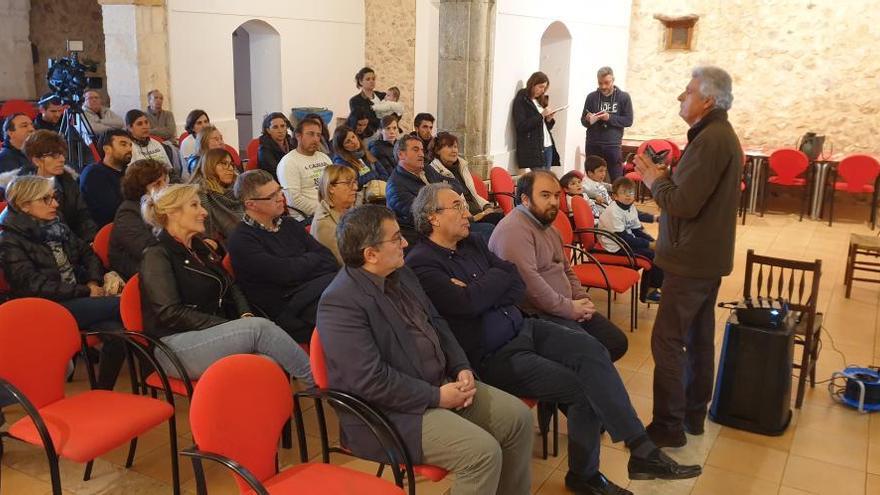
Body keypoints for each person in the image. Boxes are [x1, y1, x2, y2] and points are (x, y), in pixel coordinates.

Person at [407, 184, 703, 493]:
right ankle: (584, 476)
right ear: (433, 218)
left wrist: (478, 289)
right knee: (581, 389)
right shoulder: (422, 262)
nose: (467, 211)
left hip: (524, 327)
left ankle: (640, 447)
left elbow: (514, 282)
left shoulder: (474, 243)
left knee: (592, 349)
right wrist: (487, 288)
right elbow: (467, 304)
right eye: (457, 206)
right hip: (493, 355)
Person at [317, 204, 534, 495]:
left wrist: (461, 367)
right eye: (395, 238)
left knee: (518, 419)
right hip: (390, 412)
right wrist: (436, 397)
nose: (405, 242)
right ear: (370, 254)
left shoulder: (402, 273)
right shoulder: (340, 302)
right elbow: (369, 380)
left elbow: (437, 323)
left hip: (439, 384)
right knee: (482, 454)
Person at [634, 66, 742, 448]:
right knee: (697, 336)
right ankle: (694, 414)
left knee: (667, 340)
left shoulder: (712, 139)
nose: (681, 96)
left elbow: (683, 203)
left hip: (690, 259)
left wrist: (654, 180)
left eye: (688, 91)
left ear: (708, 101)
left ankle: (668, 425)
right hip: (703, 256)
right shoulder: (714, 136)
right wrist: (667, 177)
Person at [138, 183, 314, 385]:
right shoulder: (156, 254)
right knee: (259, 329)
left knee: (268, 362)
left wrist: (244, 314)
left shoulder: (198, 246)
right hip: (173, 345)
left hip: (210, 332)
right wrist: (232, 326)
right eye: (195, 206)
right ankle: (316, 383)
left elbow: (231, 285)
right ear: (173, 213)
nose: (204, 212)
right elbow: (170, 313)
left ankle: (262, 416)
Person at [0, 175, 126, 390]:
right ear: (25, 205)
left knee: (117, 334)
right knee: (122, 305)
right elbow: (34, 286)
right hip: (44, 306)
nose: (56, 204)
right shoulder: (9, 239)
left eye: (54, 197)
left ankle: (102, 393)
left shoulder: (55, 224)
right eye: (46, 199)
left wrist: (94, 282)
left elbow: (88, 253)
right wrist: (85, 291)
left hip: (76, 297)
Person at [488, 170, 628, 362]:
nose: (554, 202)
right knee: (594, 354)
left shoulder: (548, 227)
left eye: (556, 196)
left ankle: (585, 377)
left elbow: (566, 269)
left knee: (616, 342)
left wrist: (581, 298)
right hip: (537, 315)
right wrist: (570, 308)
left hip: (565, 306)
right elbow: (531, 287)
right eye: (545, 195)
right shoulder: (513, 231)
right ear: (525, 199)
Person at [227, 170, 338, 344]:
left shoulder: (289, 224)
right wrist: (310, 260)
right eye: (272, 196)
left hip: (317, 291)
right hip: (288, 311)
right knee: (349, 313)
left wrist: (297, 266)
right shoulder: (241, 240)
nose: (281, 197)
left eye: (279, 190)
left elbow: (328, 258)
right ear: (251, 204)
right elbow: (285, 274)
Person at [2, 130, 98, 242]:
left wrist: (90, 242)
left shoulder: (68, 181)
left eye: (62, 154)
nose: (62, 159)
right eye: (54, 155)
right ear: (36, 160)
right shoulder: (22, 191)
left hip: (72, 243)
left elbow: (83, 217)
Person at [599, 177, 663, 303]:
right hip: (615, 246)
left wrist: (653, 241)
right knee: (654, 256)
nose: (628, 196)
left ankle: (653, 289)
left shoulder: (630, 206)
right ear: (615, 196)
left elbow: (636, 230)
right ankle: (650, 292)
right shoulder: (614, 212)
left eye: (631, 192)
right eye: (624, 192)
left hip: (625, 240)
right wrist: (649, 245)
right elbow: (624, 238)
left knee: (658, 251)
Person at [109, 159, 168, 280]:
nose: (165, 187)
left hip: (158, 265)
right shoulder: (128, 213)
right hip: (138, 272)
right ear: (140, 188)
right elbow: (147, 249)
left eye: (164, 181)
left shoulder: (161, 205)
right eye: (157, 184)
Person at [429, 132, 503, 226]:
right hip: (465, 218)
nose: (454, 150)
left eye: (455, 147)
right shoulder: (434, 171)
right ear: (437, 150)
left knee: (503, 220)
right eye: (449, 147)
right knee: (497, 223)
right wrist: (481, 215)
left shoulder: (462, 166)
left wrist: (486, 206)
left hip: (478, 212)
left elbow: (474, 194)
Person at [385, 135, 443, 246]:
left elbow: (453, 185)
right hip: (420, 238)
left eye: (422, 150)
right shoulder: (396, 187)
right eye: (415, 150)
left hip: (442, 224)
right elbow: (421, 216)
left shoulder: (427, 169)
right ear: (401, 154)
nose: (421, 154)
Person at [581, 67, 634, 181]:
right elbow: (583, 121)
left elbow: (628, 120)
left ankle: (617, 199)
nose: (603, 86)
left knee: (616, 179)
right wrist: (588, 119)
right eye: (600, 83)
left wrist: (609, 117)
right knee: (592, 180)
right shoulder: (591, 97)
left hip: (612, 144)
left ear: (613, 80)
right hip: (593, 143)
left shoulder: (623, 97)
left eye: (607, 83)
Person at [276, 118, 333, 219]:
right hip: (308, 218)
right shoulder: (289, 162)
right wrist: (327, 210)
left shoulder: (324, 157)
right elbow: (294, 200)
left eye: (318, 135)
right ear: (298, 136)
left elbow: (334, 185)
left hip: (331, 210)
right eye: (310, 134)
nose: (316, 139)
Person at [79, 129, 133, 227]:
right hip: (109, 229)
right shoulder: (94, 173)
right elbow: (112, 212)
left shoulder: (129, 171)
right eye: (123, 144)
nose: (129, 149)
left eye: (130, 145)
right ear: (107, 149)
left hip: (130, 223)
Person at [189, 147, 242, 244]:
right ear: (210, 166)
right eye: (223, 163)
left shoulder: (238, 189)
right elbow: (206, 235)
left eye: (231, 164)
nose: (230, 168)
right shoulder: (200, 194)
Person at [512, 71, 561, 170]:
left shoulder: (540, 100)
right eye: (540, 87)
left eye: (544, 88)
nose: (542, 91)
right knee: (540, 181)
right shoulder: (522, 99)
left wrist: (548, 119)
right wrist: (541, 115)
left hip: (548, 146)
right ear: (532, 84)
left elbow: (544, 127)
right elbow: (521, 126)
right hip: (534, 149)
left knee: (547, 180)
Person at [311, 164, 358, 263]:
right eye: (348, 183)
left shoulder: (349, 209)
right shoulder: (324, 224)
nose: (355, 187)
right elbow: (343, 263)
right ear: (331, 188)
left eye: (355, 182)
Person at [331, 124, 387, 199]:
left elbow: (385, 174)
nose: (353, 142)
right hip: (359, 200)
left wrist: (370, 178)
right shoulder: (341, 163)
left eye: (353, 137)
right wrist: (374, 174)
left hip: (378, 194)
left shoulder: (365, 152)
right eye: (348, 141)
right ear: (342, 147)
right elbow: (355, 184)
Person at [257, 112, 296, 181]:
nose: (280, 131)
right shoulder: (264, 149)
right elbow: (276, 172)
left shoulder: (291, 142)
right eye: (275, 127)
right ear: (268, 130)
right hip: (273, 182)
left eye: (282, 126)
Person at [348, 66, 385, 137]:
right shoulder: (355, 101)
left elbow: (394, 110)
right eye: (368, 79)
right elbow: (364, 120)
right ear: (361, 81)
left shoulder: (383, 96)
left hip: (386, 132)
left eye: (373, 79)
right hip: (368, 134)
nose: (371, 81)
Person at [368, 114, 400, 178]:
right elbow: (388, 173)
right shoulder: (377, 148)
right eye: (388, 128)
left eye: (394, 128)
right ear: (381, 131)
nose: (392, 132)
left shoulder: (400, 144)